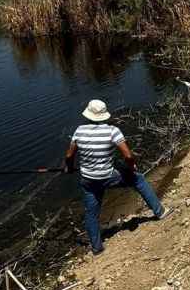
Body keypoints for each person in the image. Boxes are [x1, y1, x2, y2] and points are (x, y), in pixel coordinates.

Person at [63, 99, 172, 255]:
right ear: (104, 115)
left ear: (88, 114)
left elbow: (69, 155)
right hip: (108, 176)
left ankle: (97, 247)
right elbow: (127, 155)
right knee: (139, 179)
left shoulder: (79, 130)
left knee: (91, 212)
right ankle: (160, 212)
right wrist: (131, 166)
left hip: (88, 179)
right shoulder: (112, 130)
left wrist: (69, 167)